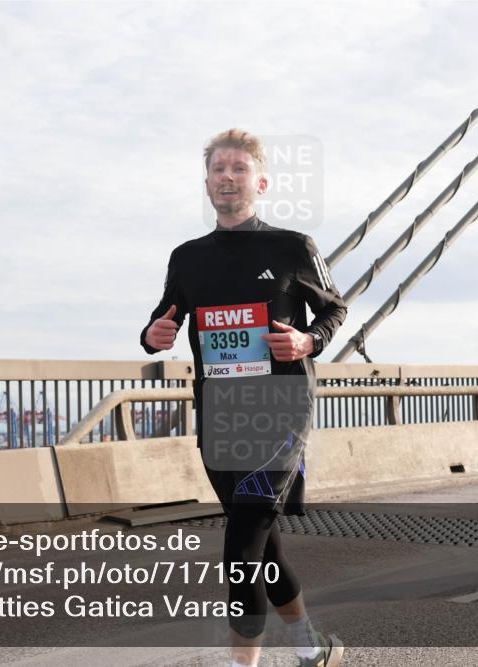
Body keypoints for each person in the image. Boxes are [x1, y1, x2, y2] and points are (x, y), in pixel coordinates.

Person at [140, 129, 347, 667]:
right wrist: (152, 336)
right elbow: (163, 319)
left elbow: (334, 309)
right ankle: (311, 649)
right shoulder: (187, 258)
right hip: (220, 421)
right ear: (207, 182)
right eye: (218, 169)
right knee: (263, 545)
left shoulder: (293, 247)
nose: (227, 177)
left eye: (238, 168)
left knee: (240, 550)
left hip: (279, 418)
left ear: (261, 182)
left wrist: (308, 340)